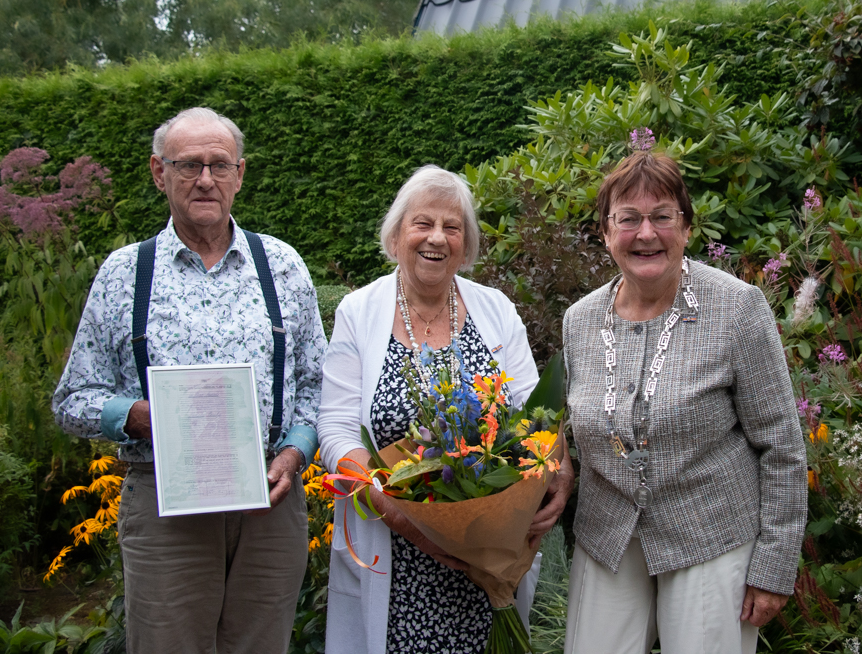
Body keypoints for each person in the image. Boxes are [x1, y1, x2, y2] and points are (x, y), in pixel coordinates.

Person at [52, 107, 327, 654]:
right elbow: (72, 397)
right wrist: (141, 416)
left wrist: (294, 456)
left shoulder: (283, 265)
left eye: (219, 165)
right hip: (164, 506)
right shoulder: (125, 272)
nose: (206, 179)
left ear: (240, 174)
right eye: (189, 165)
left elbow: (318, 386)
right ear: (160, 173)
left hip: (269, 505)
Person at [317, 165, 575, 654]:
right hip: (395, 553)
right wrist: (396, 512)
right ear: (396, 236)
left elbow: (535, 416)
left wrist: (558, 471)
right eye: (423, 223)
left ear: (466, 243)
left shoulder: (495, 308)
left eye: (452, 227)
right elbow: (334, 430)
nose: (437, 237)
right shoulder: (359, 311)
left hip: (489, 558)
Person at [562, 151, 807, 654]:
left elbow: (782, 446)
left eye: (662, 217)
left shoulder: (737, 307)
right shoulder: (579, 321)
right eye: (628, 219)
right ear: (606, 233)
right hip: (607, 537)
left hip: (710, 533)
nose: (645, 233)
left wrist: (775, 565)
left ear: (687, 228)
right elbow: (580, 427)